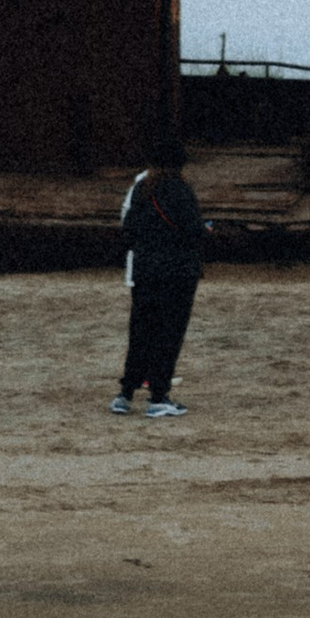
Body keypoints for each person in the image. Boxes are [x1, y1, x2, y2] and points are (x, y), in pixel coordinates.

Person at [112, 143, 209, 419]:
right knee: (169, 334)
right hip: (177, 272)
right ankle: (158, 396)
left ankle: (125, 394)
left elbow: (128, 231)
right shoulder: (181, 191)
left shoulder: (142, 190)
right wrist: (206, 231)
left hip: (144, 270)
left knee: (141, 331)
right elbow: (194, 232)